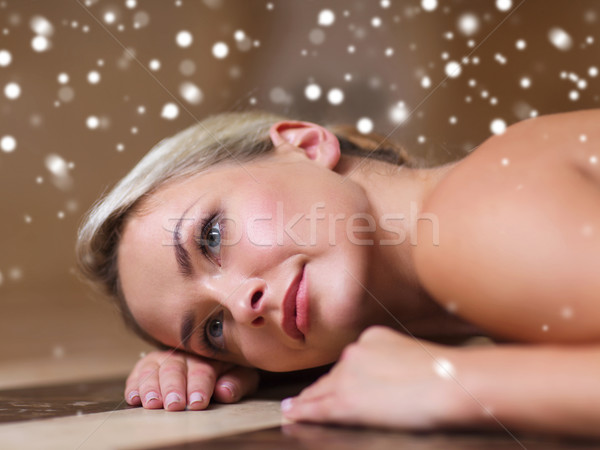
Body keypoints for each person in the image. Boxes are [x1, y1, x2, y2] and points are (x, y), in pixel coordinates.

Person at [76, 109, 600, 438]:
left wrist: (453, 385)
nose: (242, 306)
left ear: (305, 145)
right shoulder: (464, 237)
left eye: (211, 237)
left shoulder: (475, 215)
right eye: (214, 329)